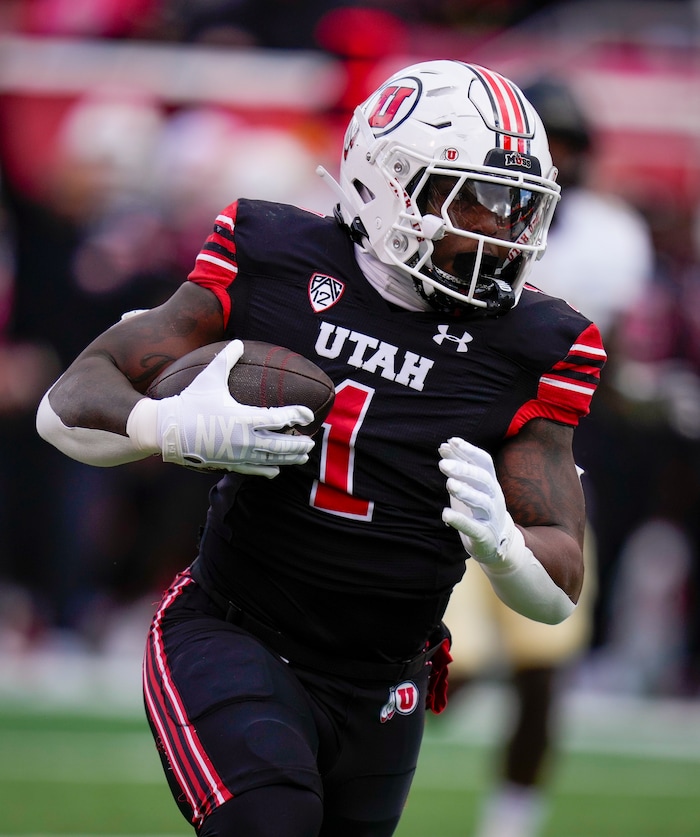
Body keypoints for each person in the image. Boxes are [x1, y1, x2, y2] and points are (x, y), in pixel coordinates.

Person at [36, 60, 605, 837]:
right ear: (391, 180)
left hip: (385, 686)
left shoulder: (536, 343)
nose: (500, 230)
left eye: (516, 205)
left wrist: (506, 547)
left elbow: (560, 576)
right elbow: (66, 402)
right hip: (236, 634)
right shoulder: (274, 257)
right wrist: (161, 426)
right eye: (475, 196)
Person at [441, 77, 652, 837]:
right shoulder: (464, 210)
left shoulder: (609, 234)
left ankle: (512, 819)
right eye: (544, 141)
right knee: (444, 664)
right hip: (460, 449)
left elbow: (606, 361)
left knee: (545, 653)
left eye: (566, 145)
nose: (554, 157)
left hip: (553, 458)